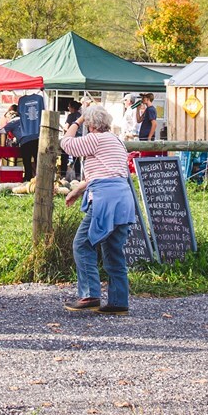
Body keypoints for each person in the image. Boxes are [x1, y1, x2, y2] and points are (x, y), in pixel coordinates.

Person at [60, 103, 134, 314]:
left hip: (105, 199)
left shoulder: (95, 139)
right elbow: (106, 172)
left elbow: (66, 143)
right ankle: (119, 301)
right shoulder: (117, 141)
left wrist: (77, 120)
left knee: (83, 244)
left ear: (92, 125)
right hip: (123, 198)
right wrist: (77, 191)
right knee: (113, 250)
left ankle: (89, 294)